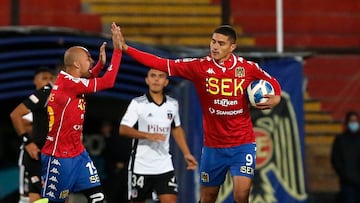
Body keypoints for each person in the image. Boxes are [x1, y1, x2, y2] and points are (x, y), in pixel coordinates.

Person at [117, 25, 281, 203]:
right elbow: (162, 63)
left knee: (242, 195)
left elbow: (272, 81)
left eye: (221, 43)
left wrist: (276, 98)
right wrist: (126, 48)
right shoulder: (199, 67)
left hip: (243, 144)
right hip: (213, 147)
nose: (215, 47)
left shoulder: (247, 68)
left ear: (232, 47)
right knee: (208, 197)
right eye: (213, 41)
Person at [40, 22, 122, 203]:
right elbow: (107, 82)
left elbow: (89, 78)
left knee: (98, 198)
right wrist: (118, 51)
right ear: (77, 63)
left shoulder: (71, 81)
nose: (91, 61)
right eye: (88, 59)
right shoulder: (69, 84)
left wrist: (100, 65)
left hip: (78, 153)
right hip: (59, 156)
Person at [119, 68, 198, 203]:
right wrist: (147, 135)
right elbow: (123, 129)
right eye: (153, 76)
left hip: (164, 165)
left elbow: (176, 128)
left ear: (166, 82)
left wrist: (186, 153)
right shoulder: (138, 103)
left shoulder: (172, 104)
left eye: (160, 76)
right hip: (141, 165)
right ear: (147, 80)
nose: (156, 79)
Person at [10, 67, 56, 203]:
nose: (48, 82)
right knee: (27, 198)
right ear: (35, 81)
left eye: (50, 78)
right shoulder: (33, 104)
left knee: (57, 194)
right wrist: (29, 140)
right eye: (44, 78)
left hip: (51, 155)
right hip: (32, 155)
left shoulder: (52, 104)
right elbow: (20, 119)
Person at [331, 111, 360, 203]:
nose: (354, 123)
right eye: (351, 121)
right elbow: (335, 159)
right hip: (347, 183)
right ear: (347, 123)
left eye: (355, 121)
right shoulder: (340, 140)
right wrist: (344, 175)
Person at [100, 121, 131, 203]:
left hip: (121, 171)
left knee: (121, 194)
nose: (104, 129)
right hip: (110, 172)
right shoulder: (106, 139)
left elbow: (124, 152)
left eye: (106, 127)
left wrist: (122, 164)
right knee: (111, 194)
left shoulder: (118, 139)